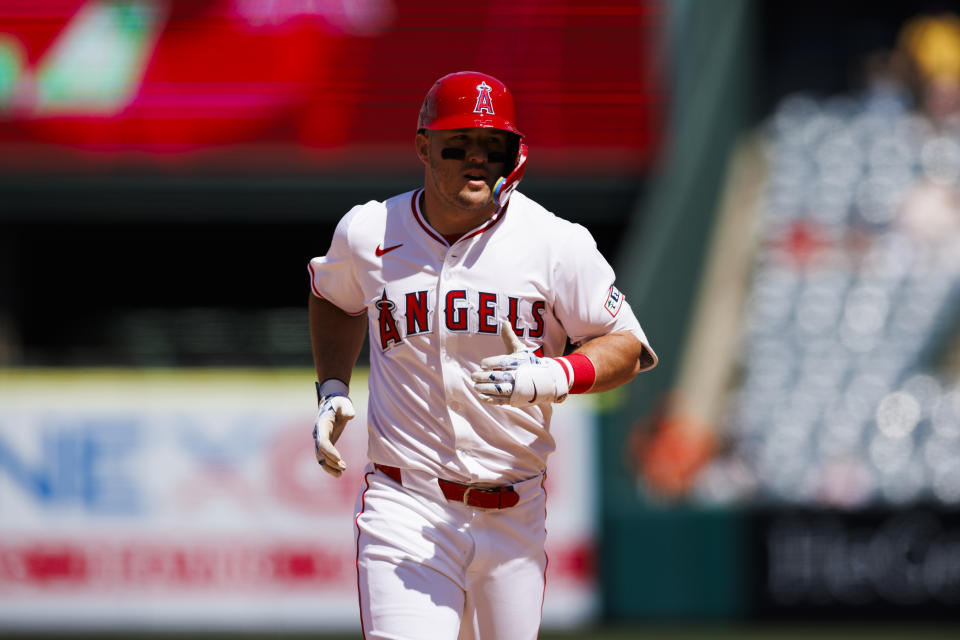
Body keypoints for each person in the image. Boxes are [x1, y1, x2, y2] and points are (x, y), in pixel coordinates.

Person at [307, 71, 657, 640]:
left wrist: (557, 372)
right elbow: (331, 296)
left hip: (515, 511)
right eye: (457, 145)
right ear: (423, 147)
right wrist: (332, 388)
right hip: (406, 505)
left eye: (492, 146)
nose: (476, 159)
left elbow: (628, 346)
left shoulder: (555, 241)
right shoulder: (370, 230)